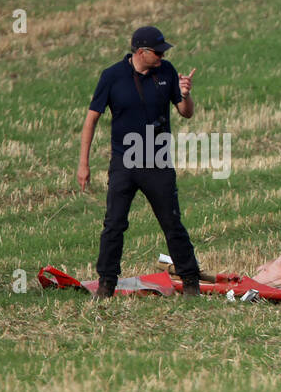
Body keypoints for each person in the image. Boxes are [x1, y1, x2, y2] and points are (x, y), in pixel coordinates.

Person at [78, 25, 202, 297]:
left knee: (171, 222)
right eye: (157, 52)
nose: (162, 56)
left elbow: (186, 113)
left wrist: (185, 93)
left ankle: (191, 281)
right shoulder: (112, 77)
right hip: (124, 160)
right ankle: (106, 283)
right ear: (141, 52)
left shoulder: (166, 71)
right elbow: (91, 120)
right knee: (114, 224)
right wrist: (83, 163)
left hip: (157, 159)